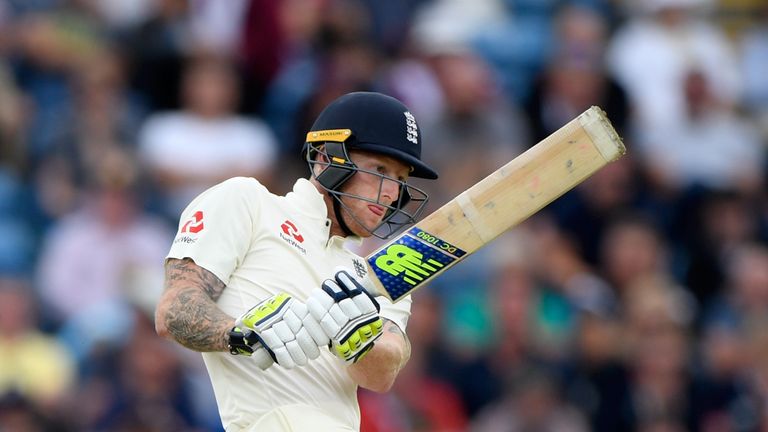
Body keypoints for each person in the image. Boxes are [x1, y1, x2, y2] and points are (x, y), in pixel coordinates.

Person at [154, 91, 439, 431]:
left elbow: (382, 374)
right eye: (380, 170)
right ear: (327, 157)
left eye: (401, 180)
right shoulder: (248, 203)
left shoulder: (379, 269)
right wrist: (244, 334)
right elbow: (174, 310)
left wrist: (361, 339)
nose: (391, 193)